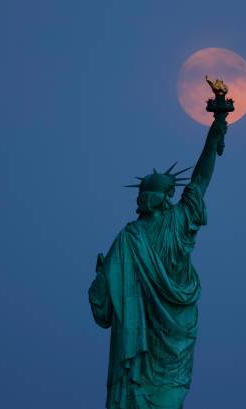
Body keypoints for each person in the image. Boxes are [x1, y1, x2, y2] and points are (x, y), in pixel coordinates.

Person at [89, 113, 228, 409]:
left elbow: (200, 179)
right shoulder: (132, 236)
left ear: (164, 197)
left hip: (172, 329)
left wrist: (213, 136)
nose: (144, 198)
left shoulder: (161, 225)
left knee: (168, 397)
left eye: (149, 193)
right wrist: (103, 278)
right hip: (157, 330)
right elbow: (106, 294)